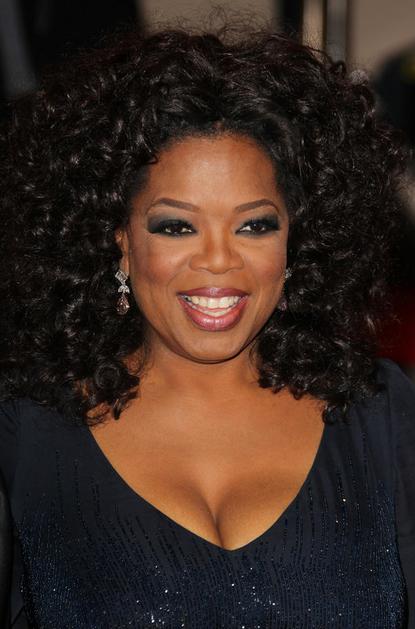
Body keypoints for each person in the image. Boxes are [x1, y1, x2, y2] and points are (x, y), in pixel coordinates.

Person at [0, 24, 414, 629]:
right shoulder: (22, 435)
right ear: (120, 241)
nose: (219, 260)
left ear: (295, 241)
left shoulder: (388, 418)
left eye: (254, 226)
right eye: (176, 226)